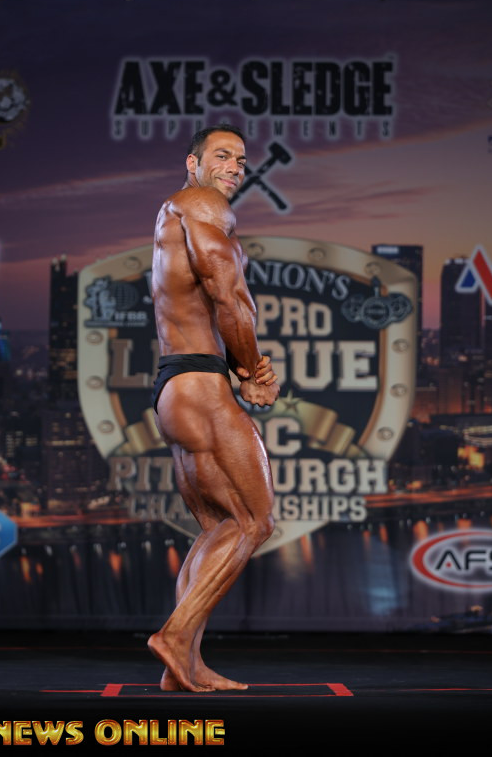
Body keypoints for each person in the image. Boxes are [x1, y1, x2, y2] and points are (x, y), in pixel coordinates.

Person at [148, 124, 280, 692]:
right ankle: (175, 637)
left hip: (178, 384)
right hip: (202, 384)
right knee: (254, 520)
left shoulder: (171, 214)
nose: (234, 167)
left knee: (217, 525)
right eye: (222, 156)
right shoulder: (202, 204)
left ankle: (186, 666)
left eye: (241, 160)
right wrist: (251, 372)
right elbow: (227, 292)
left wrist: (241, 365)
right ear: (193, 162)